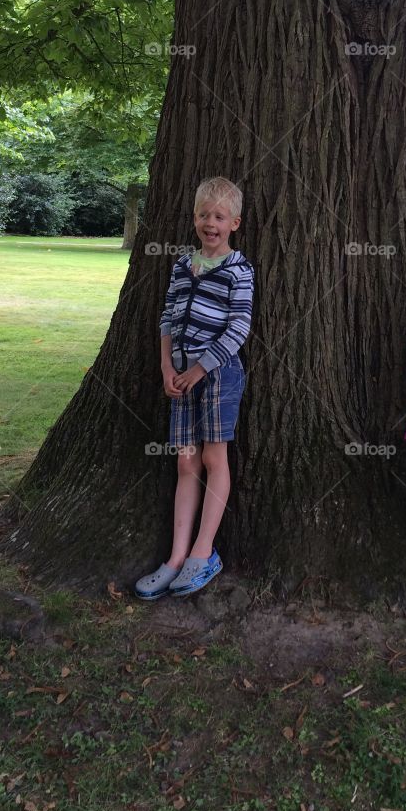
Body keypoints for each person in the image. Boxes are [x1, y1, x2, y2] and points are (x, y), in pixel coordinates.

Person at [135, 176, 254, 600]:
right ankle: (175, 557)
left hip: (218, 375)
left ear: (234, 223)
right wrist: (168, 367)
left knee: (212, 457)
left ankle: (204, 554)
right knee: (186, 464)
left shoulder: (239, 270)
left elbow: (239, 326)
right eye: (204, 215)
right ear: (194, 218)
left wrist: (200, 370)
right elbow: (168, 317)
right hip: (180, 378)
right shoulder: (182, 265)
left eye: (219, 216)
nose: (210, 223)